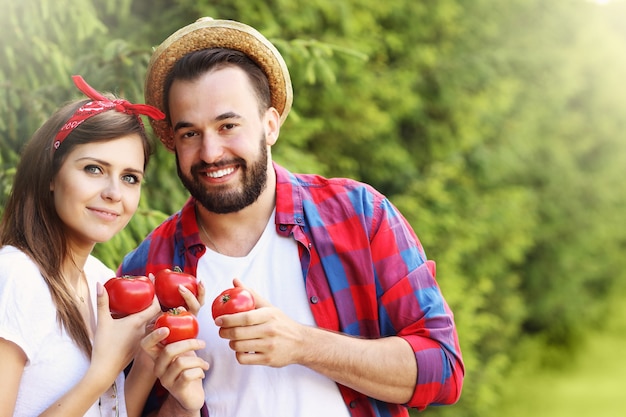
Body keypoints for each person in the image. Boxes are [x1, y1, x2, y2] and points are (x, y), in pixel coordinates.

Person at [120, 17, 464, 417]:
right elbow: (123, 406)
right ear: (173, 144)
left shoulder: (358, 215)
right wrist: (180, 402)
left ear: (270, 125)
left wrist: (302, 344)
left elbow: (442, 370)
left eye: (228, 125)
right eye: (190, 134)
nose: (211, 152)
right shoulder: (148, 268)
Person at [0, 75, 169, 417]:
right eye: (94, 169)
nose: (114, 193)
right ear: (50, 174)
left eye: (129, 177)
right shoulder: (16, 275)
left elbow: (109, 412)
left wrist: (151, 357)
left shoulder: (100, 282)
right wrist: (103, 371)